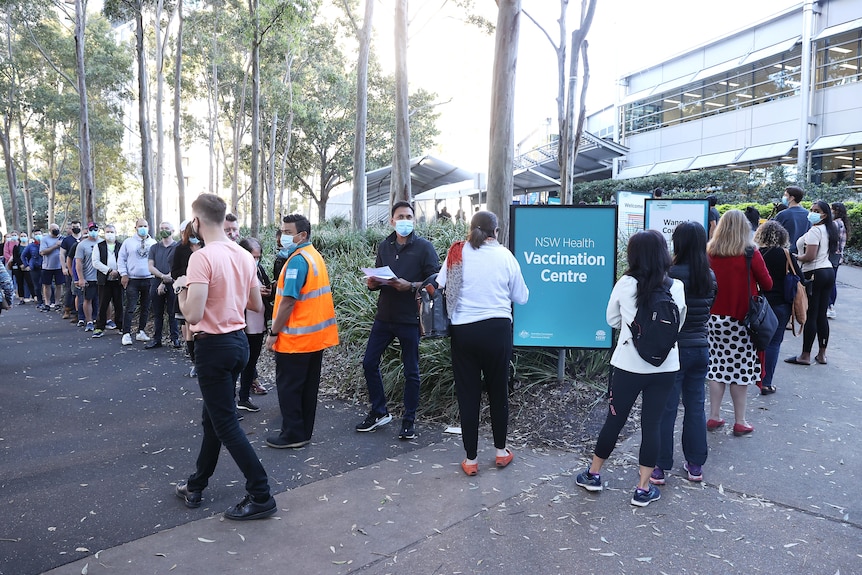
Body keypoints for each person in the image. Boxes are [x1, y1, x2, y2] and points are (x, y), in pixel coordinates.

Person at [174, 192, 276, 521]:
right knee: (213, 418)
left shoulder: (201, 258)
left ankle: (260, 493)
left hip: (214, 347)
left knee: (226, 423)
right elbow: (256, 306)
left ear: (198, 221)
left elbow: (192, 314)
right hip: (239, 343)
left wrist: (180, 288)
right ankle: (196, 484)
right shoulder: (244, 256)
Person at [575, 229, 685, 506]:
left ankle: (594, 474)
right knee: (653, 425)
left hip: (627, 365)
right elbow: (677, 326)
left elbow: (611, 319)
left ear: (633, 254)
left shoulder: (626, 283)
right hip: (666, 366)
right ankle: (643, 488)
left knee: (615, 419)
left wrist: (632, 327)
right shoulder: (677, 287)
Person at [436, 211, 529, 476]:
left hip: (464, 332)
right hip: (498, 330)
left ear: (471, 230)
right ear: (496, 231)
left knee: (468, 395)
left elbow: (441, 284)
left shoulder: (457, 253)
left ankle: (471, 459)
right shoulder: (505, 256)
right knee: (498, 391)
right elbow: (521, 297)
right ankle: (501, 452)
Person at [355, 201, 440, 439]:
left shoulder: (424, 248)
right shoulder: (385, 246)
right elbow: (378, 275)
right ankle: (380, 412)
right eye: (400, 216)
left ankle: (408, 420)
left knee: (411, 371)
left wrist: (411, 285)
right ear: (392, 220)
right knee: (369, 363)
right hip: (384, 316)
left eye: (409, 217)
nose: (405, 221)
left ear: (414, 220)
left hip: (410, 318)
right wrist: (372, 283)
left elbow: (435, 282)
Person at [264, 214, 339, 449]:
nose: (283, 236)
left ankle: (292, 434)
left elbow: (287, 302)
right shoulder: (314, 256)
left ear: (302, 234)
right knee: (307, 388)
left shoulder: (297, 260)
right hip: (314, 338)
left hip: (295, 338)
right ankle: (303, 431)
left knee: (290, 388)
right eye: (282, 231)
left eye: (287, 232)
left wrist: (273, 332)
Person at [653, 222, 716, 485]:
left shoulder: (669, 274)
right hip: (701, 347)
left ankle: (659, 466)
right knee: (696, 407)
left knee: (666, 409)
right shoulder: (709, 275)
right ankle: (695, 465)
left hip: (675, 349)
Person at [705, 210, 772, 437]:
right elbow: (768, 283)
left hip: (713, 319)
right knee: (739, 370)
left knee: (716, 367)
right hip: (741, 320)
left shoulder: (710, 251)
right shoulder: (749, 253)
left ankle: (714, 416)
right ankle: (740, 421)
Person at [785, 200, 837, 367]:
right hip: (828, 271)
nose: (812, 212)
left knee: (811, 315)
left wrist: (794, 257)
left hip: (814, 272)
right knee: (821, 314)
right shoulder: (829, 229)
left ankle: (805, 355)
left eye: (816, 210)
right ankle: (822, 354)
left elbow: (810, 256)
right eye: (811, 209)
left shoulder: (815, 230)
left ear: (825, 215)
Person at [754, 220, 803, 394]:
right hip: (781, 304)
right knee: (774, 342)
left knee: (754, 341)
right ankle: (766, 383)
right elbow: (801, 279)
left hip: (758, 305)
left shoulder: (756, 254)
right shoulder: (786, 254)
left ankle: (746, 377)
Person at [236, 237, 272, 413]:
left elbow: (265, 288)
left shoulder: (259, 270)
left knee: (252, 362)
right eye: (252, 256)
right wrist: (254, 293)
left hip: (259, 323)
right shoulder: (235, 272)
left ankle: (244, 397)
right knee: (242, 362)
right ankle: (238, 398)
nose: (256, 260)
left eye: (258, 257)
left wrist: (268, 291)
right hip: (243, 323)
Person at [172, 221, 204, 377]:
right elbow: (174, 271)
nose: (194, 238)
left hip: (204, 292)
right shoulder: (180, 249)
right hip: (187, 290)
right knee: (190, 328)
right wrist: (188, 274)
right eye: (191, 235)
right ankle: (195, 362)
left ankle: (205, 360)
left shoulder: (207, 247)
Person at [118, 219, 156, 346]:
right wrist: (123, 274)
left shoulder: (153, 243)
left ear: (148, 227)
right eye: (140, 226)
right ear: (136, 227)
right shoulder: (128, 242)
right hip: (132, 279)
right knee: (130, 307)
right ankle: (126, 333)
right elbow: (121, 259)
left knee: (145, 307)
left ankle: (141, 331)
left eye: (145, 226)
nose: (143, 228)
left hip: (149, 278)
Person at [146, 221, 180, 349]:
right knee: (158, 312)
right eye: (161, 228)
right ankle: (157, 339)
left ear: (172, 230)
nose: (164, 230)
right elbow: (150, 266)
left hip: (174, 282)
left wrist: (168, 277)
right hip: (156, 281)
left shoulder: (177, 247)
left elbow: (179, 265)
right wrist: (162, 277)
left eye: (166, 228)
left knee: (173, 312)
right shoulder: (154, 247)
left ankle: (175, 339)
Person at [91, 224, 123, 338]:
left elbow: (125, 259)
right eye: (107, 232)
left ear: (115, 232)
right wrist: (109, 270)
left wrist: (118, 271)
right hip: (104, 280)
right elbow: (95, 262)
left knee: (119, 303)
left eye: (112, 232)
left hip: (119, 279)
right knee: (103, 304)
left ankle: (121, 326)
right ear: (104, 233)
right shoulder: (98, 246)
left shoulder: (121, 246)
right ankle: (99, 327)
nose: (110, 234)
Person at [74, 223, 103, 332]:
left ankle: (106, 320)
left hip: (102, 277)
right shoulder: (82, 245)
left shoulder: (103, 243)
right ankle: (89, 321)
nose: (94, 231)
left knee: (105, 300)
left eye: (95, 229)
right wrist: (81, 278)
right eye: (91, 229)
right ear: (88, 230)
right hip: (89, 277)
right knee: (88, 299)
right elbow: (78, 263)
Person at [827, 202, 850, 319]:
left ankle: (830, 306)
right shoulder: (842, 223)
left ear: (835, 210)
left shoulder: (836, 224)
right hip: (837, 256)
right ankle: (830, 306)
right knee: (832, 281)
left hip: (832, 256)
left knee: (830, 282)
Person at [774, 185, 810, 253]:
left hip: (786, 253)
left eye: (785, 195)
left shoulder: (783, 214)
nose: (784, 197)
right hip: (802, 252)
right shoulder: (808, 214)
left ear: (791, 198)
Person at [60, 221, 83, 319]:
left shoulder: (84, 239)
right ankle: (67, 310)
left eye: (77, 226)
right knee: (70, 290)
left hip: (83, 269)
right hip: (71, 268)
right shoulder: (67, 240)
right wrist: (64, 268)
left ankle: (78, 312)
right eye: (73, 227)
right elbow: (62, 254)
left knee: (80, 292)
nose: (75, 228)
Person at [39, 224, 64, 310]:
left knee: (59, 285)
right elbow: (42, 252)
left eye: (57, 229)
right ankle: (47, 303)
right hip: (47, 266)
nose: (56, 230)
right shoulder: (45, 239)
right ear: (50, 230)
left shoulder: (62, 239)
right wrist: (55, 246)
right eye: (54, 229)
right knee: (47, 285)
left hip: (60, 266)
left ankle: (57, 303)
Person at [9, 233, 35, 304]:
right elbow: (15, 257)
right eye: (22, 236)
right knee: (19, 282)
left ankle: (34, 296)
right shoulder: (16, 247)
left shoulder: (30, 246)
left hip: (27, 266)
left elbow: (32, 256)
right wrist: (21, 264)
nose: (23, 237)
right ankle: (21, 298)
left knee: (30, 281)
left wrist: (27, 265)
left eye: (25, 236)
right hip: (18, 267)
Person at [21, 230, 45, 307]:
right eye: (36, 234)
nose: (38, 236)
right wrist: (26, 265)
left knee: (48, 285)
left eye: (39, 234)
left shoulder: (45, 244)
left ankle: (51, 301)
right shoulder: (30, 246)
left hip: (45, 267)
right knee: (37, 286)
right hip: (34, 268)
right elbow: (23, 256)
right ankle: (40, 301)